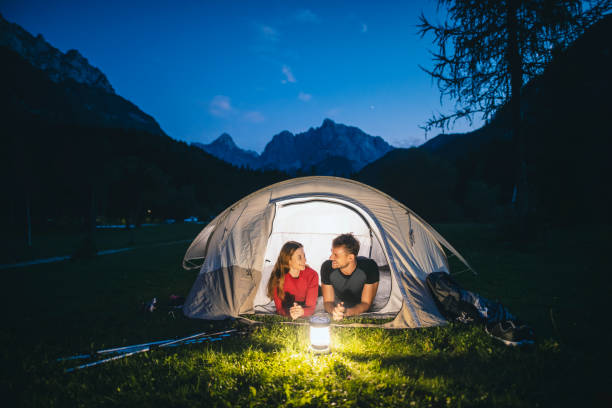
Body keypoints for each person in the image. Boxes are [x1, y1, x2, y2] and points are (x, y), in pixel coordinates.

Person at [321, 233, 379, 321]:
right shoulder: (327, 267)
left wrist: (346, 312)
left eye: (336, 255)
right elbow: (328, 302)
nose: (331, 257)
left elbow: (366, 303)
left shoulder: (369, 267)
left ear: (350, 258)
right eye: (331, 252)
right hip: (340, 300)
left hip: (360, 301)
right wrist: (334, 311)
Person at [266, 241, 319, 320]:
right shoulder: (278, 277)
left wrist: (302, 312)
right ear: (288, 260)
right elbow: (279, 309)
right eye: (299, 257)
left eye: (304, 256)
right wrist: (289, 313)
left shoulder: (312, 275)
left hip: (305, 305)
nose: (304, 260)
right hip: (290, 307)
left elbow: (311, 307)